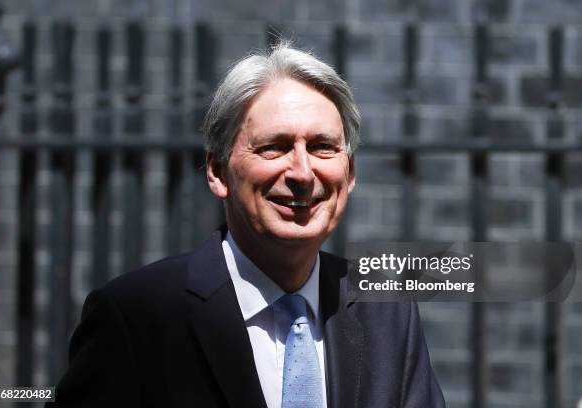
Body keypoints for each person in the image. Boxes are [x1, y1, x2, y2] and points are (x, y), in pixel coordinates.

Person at [48, 42, 445, 408]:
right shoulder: (136, 316)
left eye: (323, 147)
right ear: (218, 171)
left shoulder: (387, 312)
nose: (303, 173)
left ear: (351, 172)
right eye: (274, 147)